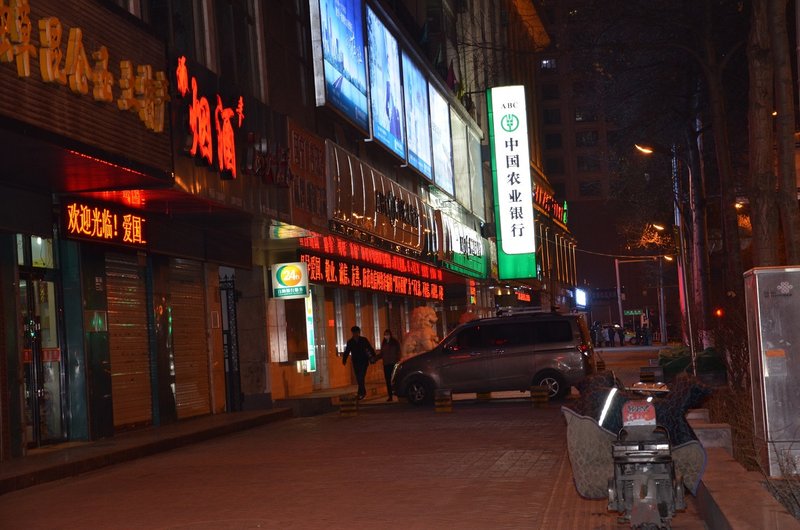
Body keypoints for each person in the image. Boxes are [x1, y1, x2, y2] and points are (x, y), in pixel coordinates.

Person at [342, 325, 375, 400]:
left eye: (356, 332)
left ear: (359, 333)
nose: (355, 334)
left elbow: (369, 348)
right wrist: (344, 359)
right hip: (356, 362)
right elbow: (347, 351)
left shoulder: (363, 340)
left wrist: (373, 357)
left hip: (364, 361)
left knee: (361, 376)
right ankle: (361, 392)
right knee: (358, 377)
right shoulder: (350, 342)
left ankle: (362, 393)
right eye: (354, 333)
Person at [378, 329, 401, 401]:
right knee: (387, 380)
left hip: (393, 363)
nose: (386, 336)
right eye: (385, 334)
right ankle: (390, 396)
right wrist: (375, 358)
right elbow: (382, 354)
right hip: (386, 364)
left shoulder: (394, 343)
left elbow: (398, 352)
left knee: (395, 379)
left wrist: (398, 360)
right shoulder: (384, 343)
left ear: (390, 335)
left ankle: (398, 394)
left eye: (387, 334)